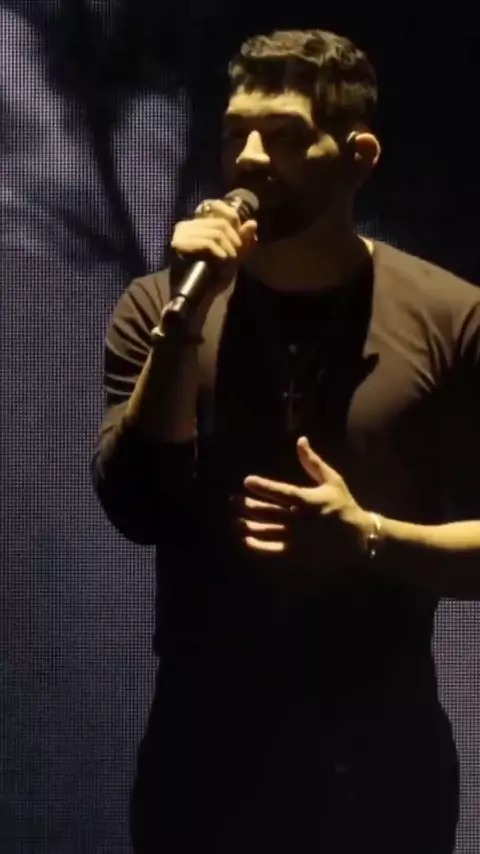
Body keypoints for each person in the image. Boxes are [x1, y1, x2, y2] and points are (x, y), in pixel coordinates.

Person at [91, 28, 480, 854]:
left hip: (383, 774)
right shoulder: (159, 309)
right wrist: (183, 323)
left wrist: (370, 539)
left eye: (285, 136)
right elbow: (139, 506)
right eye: (236, 132)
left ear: (358, 158)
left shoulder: (451, 317)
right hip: (202, 773)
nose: (249, 158)